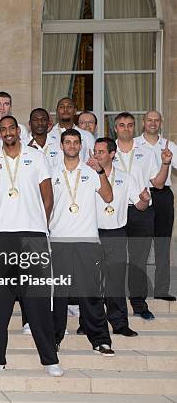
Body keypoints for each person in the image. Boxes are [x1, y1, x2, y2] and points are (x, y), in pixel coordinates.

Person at [0, 116, 62, 377]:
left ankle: (50, 360)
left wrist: (39, 229)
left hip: (32, 236)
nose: (8, 133)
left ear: (18, 131)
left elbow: (48, 197)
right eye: (3, 129)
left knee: (36, 302)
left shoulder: (36, 157)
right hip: (1, 236)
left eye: (11, 128)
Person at [48, 129, 114, 356]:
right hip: (58, 240)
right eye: (68, 142)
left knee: (91, 293)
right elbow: (44, 205)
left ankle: (100, 340)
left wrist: (101, 172)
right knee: (58, 294)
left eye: (76, 142)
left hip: (87, 241)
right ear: (62, 146)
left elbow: (108, 197)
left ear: (80, 146)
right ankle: (53, 340)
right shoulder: (52, 172)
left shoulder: (92, 171)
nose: (72, 146)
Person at [112, 112, 171, 319]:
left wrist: (165, 164)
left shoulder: (145, 153)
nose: (126, 128)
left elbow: (158, 183)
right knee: (113, 260)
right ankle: (112, 306)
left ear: (134, 127)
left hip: (141, 210)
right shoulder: (108, 151)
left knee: (139, 259)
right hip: (114, 212)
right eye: (121, 125)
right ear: (115, 128)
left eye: (129, 125)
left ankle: (138, 304)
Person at [94, 138, 149, 337]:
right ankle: (90, 323)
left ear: (112, 154)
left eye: (101, 151)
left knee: (115, 280)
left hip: (116, 233)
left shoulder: (126, 177)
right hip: (92, 232)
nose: (97, 155)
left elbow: (139, 205)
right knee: (92, 280)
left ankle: (119, 323)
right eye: (95, 151)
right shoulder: (88, 174)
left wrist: (144, 200)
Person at [133, 111, 176, 301]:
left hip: (163, 196)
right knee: (139, 247)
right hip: (141, 195)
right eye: (149, 120)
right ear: (143, 122)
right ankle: (138, 291)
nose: (152, 123)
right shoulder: (134, 145)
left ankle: (161, 290)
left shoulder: (169, 145)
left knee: (162, 244)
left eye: (156, 120)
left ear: (161, 122)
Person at [48, 97, 93, 163]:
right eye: (62, 107)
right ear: (57, 112)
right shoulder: (48, 135)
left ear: (75, 111)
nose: (65, 109)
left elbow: (91, 162)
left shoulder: (87, 136)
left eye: (69, 107)